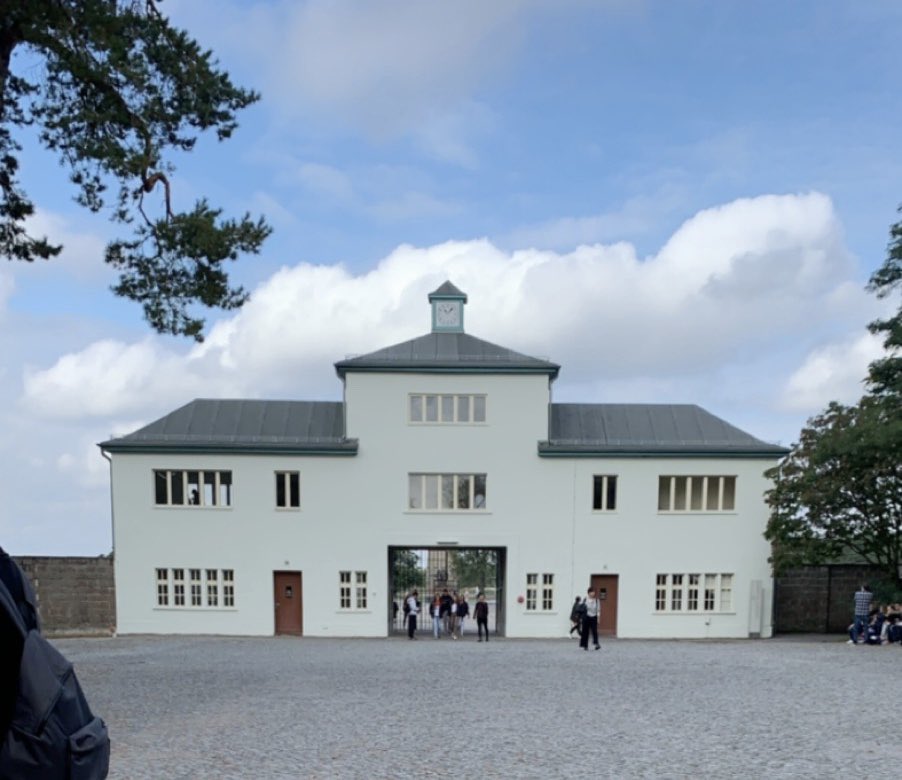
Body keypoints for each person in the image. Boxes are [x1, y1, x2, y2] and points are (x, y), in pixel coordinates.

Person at [579, 586, 601, 651]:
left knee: (595, 631)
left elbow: (598, 610)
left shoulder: (597, 600)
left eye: (593, 592)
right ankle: (585, 645)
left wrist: (598, 618)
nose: (593, 593)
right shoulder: (585, 600)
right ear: (588, 593)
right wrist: (581, 617)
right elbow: (582, 608)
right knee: (585, 631)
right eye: (591, 592)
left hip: (594, 617)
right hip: (586, 617)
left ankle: (596, 644)